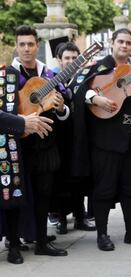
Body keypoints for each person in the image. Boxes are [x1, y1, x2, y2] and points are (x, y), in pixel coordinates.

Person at [71, 28, 131, 251]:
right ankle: (102, 234)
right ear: (112, 43)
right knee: (104, 186)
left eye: (128, 42)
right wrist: (95, 99)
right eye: (120, 42)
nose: (124, 46)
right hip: (107, 138)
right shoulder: (99, 67)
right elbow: (76, 87)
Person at [12, 25, 70, 256]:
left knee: (44, 193)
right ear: (17, 47)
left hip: (44, 143)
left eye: (30, 44)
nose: (26, 49)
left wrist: (62, 106)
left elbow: (65, 112)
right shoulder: (7, 75)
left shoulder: (50, 75)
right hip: (16, 143)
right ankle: (14, 243)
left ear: (37, 46)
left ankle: (41, 242)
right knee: (16, 193)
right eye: (22, 44)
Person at [0, 64, 54, 264]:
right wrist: (22, 122)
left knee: (12, 194)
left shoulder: (10, 75)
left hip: (7, 145)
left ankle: (14, 243)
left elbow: (24, 100)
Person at [51, 42, 96, 235]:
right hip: (59, 138)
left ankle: (80, 215)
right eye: (66, 58)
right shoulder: (52, 81)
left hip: (81, 136)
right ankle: (61, 218)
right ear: (59, 61)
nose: (70, 62)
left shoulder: (86, 81)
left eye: (73, 58)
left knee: (80, 177)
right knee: (60, 179)